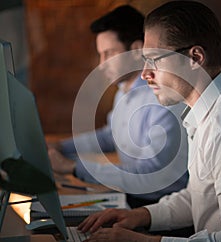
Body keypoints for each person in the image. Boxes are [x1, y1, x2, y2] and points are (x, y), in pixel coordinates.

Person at [77, 1, 221, 241]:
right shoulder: (206, 111)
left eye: (155, 60)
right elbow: (199, 195)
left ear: (195, 57)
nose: (144, 74)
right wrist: (141, 216)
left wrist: (141, 240)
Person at [48, 5, 189, 209]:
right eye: (100, 55)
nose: (102, 64)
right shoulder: (125, 90)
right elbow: (111, 135)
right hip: (134, 196)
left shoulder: (163, 99)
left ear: (135, 50)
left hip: (160, 206)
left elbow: (152, 174)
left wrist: (73, 167)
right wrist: (61, 147)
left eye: (109, 53)